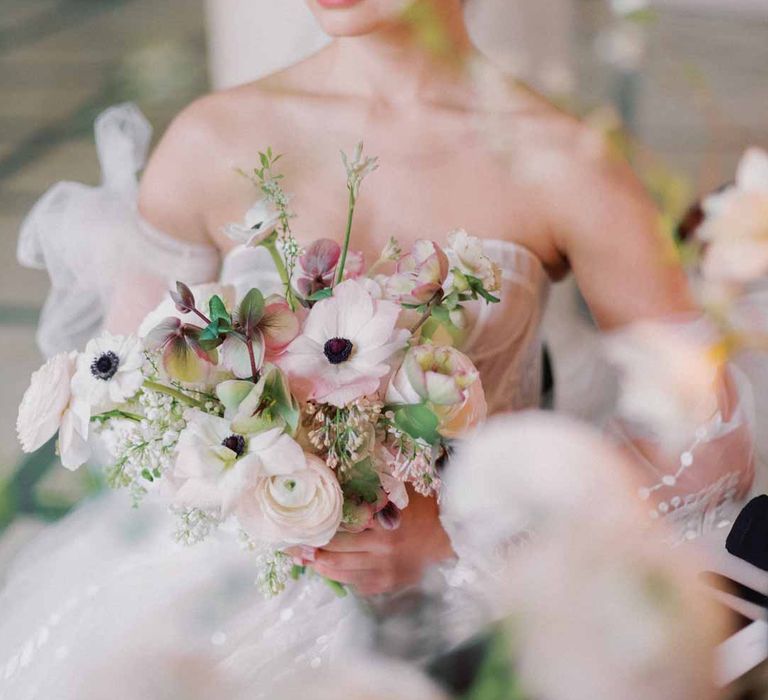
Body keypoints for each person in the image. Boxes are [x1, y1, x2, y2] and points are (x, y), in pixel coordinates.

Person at [4, 1, 753, 697]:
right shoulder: (211, 140)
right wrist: (264, 500)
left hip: (466, 604)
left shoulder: (567, 163)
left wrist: (465, 534)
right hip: (220, 595)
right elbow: (128, 412)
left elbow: (707, 446)